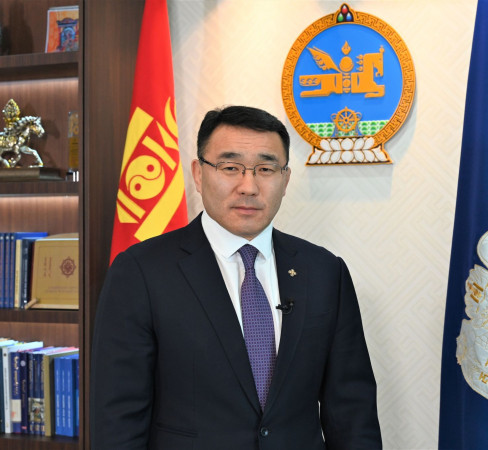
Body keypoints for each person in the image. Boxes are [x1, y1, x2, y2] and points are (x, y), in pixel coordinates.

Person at [90, 105, 382, 449]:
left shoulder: (324, 272)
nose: (249, 186)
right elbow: (117, 419)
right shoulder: (140, 272)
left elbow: (353, 410)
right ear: (199, 174)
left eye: (266, 169)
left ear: (285, 180)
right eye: (230, 168)